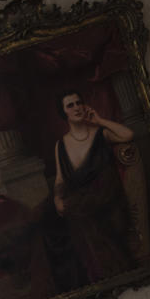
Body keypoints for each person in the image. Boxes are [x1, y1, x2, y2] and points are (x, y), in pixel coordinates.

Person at [52, 90, 135, 283]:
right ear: (64, 112)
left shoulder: (101, 134)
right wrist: (57, 198)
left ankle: (119, 276)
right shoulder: (60, 145)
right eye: (70, 105)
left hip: (108, 201)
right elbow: (60, 178)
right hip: (82, 204)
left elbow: (128, 135)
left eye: (78, 102)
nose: (76, 107)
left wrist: (100, 120)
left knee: (84, 215)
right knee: (64, 218)